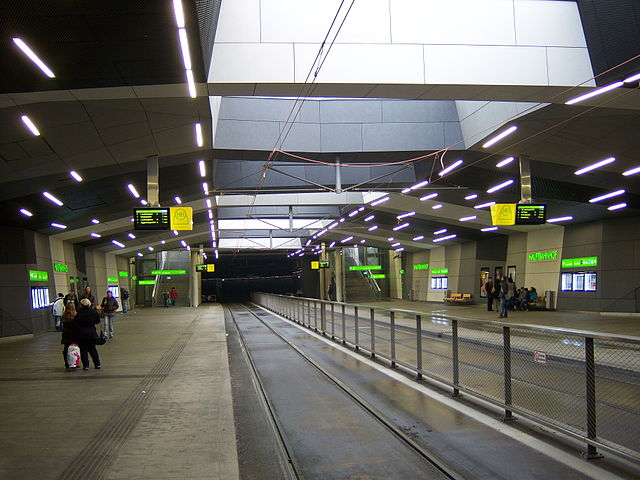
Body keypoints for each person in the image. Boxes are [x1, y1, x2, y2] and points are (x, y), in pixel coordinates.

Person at [75, 298, 101, 370]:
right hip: (92, 333)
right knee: (93, 349)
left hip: (82, 334)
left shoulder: (79, 313)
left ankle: (86, 365)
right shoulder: (93, 312)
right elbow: (97, 321)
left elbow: (76, 323)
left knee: (83, 350)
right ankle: (97, 364)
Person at [61, 302, 78, 369]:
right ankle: (74, 362)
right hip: (74, 334)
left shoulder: (64, 315)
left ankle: (67, 363)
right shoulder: (76, 316)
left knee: (66, 349)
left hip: (66, 334)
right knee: (74, 349)